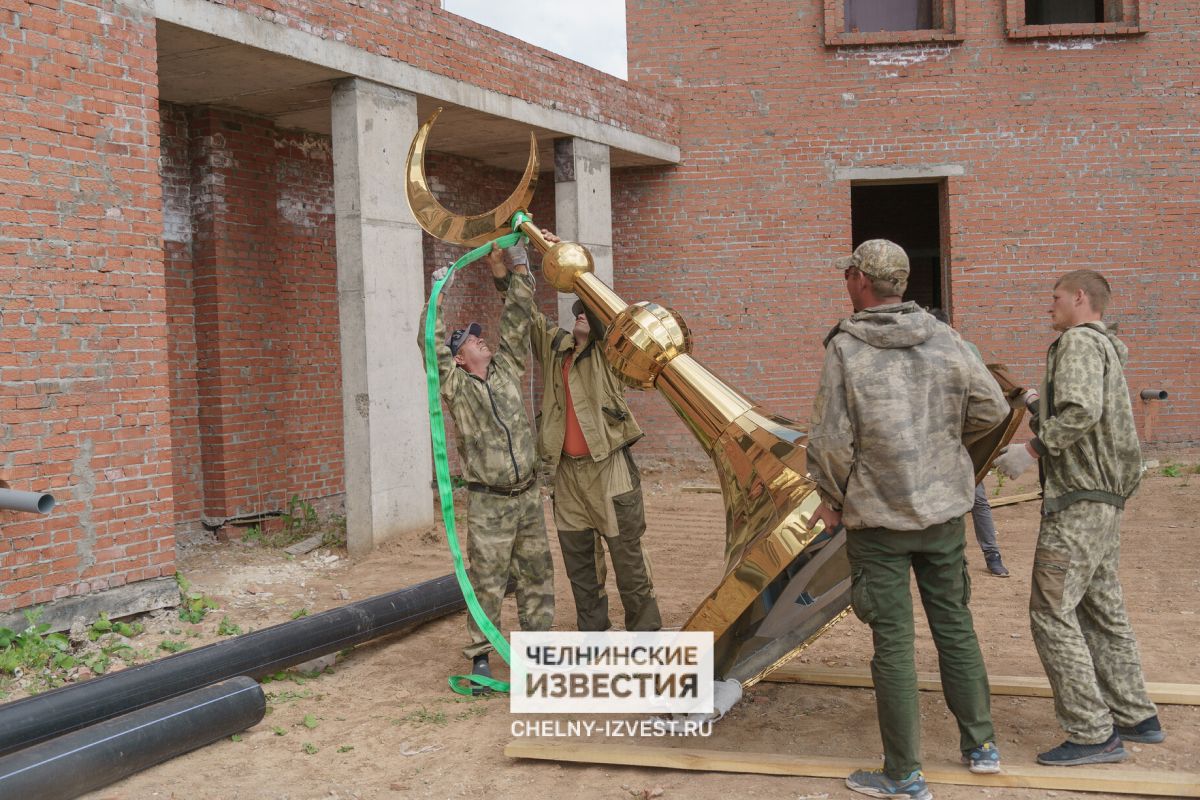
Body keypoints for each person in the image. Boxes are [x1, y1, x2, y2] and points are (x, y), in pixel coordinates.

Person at [807, 240, 1009, 800]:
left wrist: (830, 496)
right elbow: (992, 409)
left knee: (893, 643)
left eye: (849, 273)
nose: (846, 281)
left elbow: (830, 439)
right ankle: (982, 747)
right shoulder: (945, 337)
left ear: (860, 281)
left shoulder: (846, 348)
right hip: (943, 512)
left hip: (877, 519)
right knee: (955, 627)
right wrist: (945, 449)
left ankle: (905, 774)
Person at [994, 269, 1161, 766]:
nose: (1050, 306)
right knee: (1101, 608)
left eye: (1056, 297)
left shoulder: (1077, 343)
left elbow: (1082, 411)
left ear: (1081, 298)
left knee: (1050, 612)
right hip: (1103, 501)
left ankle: (1093, 733)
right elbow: (1080, 408)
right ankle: (1135, 714)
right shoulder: (1104, 348)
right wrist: (1031, 401)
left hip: (1077, 503)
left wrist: (1032, 450)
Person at [499, 235, 661, 632]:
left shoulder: (613, 357)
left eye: (588, 311)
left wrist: (579, 271)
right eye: (578, 311)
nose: (581, 315)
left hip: (610, 469)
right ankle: (594, 639)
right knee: (580, 566)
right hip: (567, 475)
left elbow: (633, 325)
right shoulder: (557, 348)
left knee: (628, 561)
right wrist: (515, 267)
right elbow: (527, 317)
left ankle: (647, 640)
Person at [419, 243, 554, 693]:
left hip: (528, 496)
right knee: (488, 582)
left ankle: (539, 653)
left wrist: (519, 264)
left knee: (537, 574)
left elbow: (517, 316)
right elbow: (429, 345)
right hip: (490, 503)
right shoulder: (456, 388)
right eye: (469, 339)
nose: (480, 338)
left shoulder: (506, 369)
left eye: (478, 335)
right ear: (459, 358)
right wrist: (438, 293)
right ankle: (480, 658)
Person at [927, 308, 1009, 578]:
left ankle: (989, 554)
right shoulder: (927, 352)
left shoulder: (966, 349)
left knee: (976, 496)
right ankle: (966, 557)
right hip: (940, 439)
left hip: (959, 438)